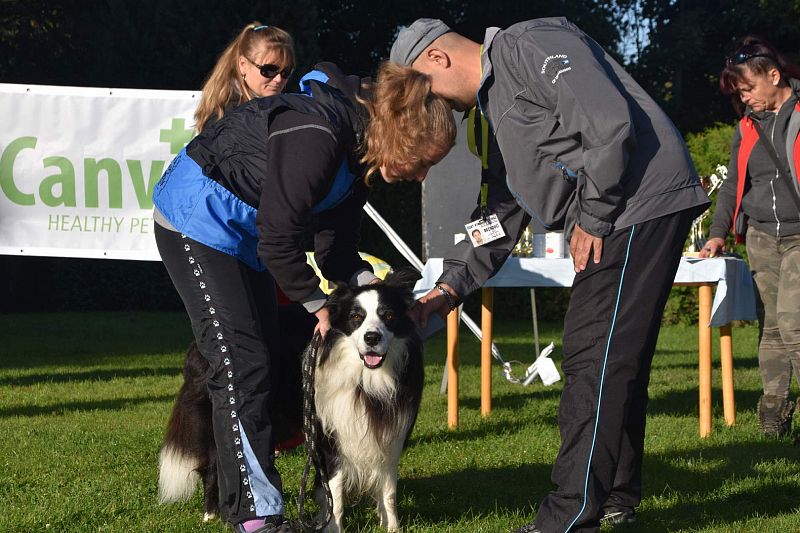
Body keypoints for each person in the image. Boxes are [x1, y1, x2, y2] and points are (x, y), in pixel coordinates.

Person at [365, 17, 710, 533]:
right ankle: (615, 496)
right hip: (624, 209)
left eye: (423, 89)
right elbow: (503, 210)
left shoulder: (529, 46)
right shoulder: (492, 103)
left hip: (636, 204)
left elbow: (610, 122)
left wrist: (592, 215)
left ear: (436, 58)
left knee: (592, 359)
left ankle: (569, 514)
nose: (435, 108)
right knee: (615, 358)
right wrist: (449, 287)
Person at [153, 61, 379, 533]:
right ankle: (254, 518)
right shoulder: (319, 134)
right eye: (421, 162)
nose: (418, 177)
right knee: (242, 362)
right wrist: (317, 305)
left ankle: (255, 501)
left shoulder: (357, 161)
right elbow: (280, 239)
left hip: (242, 234)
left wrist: (370, 288)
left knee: (260, 358)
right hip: (199, 217)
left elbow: (334, 250)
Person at [700, 36, 800, 438]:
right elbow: (733, 184)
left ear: (773, 76)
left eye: (749, 88)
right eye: (739, 91)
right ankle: (774, 411)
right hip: (760, 235)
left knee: (794, 324)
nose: (745, 98)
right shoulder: (746, 126)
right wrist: (718, 232)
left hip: (798, 236)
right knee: (772, 327)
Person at [194, 22, 295, 133]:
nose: (278, 79)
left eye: (286, 71)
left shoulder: (279, 108)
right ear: (243, 64)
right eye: (269, 70)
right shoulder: (227, 117)